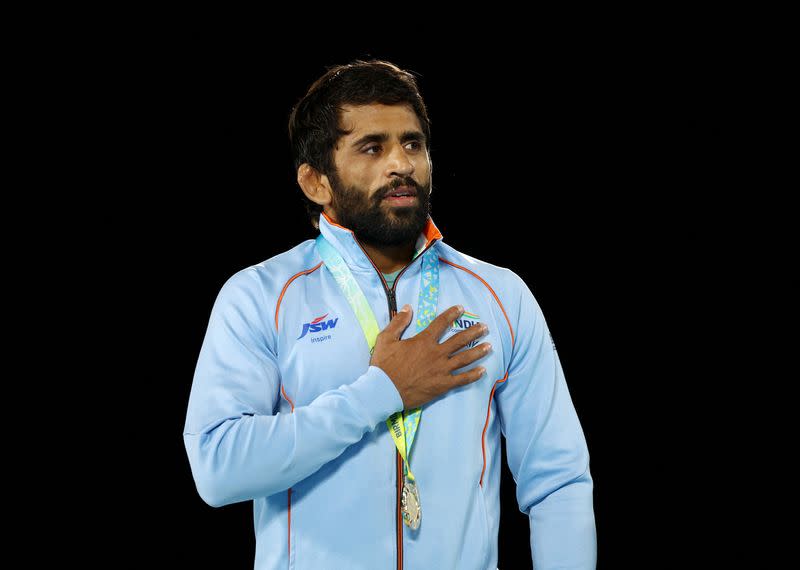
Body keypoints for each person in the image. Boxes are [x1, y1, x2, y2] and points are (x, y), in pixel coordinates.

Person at [183, 59, 596, 569]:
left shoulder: (502, 296)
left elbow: (559, 480)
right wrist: (381, 392)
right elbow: (219, 468)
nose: (401, 163)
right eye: (372, 147)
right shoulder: (259, 296)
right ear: (316, 182)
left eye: (413, 143)